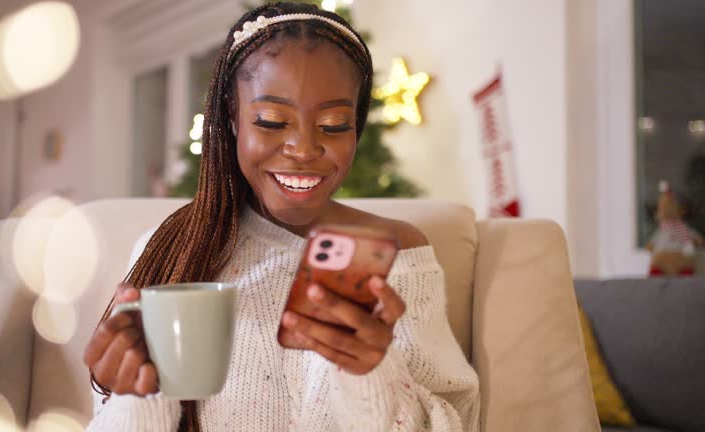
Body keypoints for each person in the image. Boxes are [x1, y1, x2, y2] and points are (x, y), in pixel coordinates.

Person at [82, 2, 479, 431]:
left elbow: (456, 421)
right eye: (271, 121)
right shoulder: (172, 251)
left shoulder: (399, 255)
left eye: (333, 125)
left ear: (357, 128)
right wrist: (133, 397)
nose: (304, 149)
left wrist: (372, 378)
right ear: (234, 118)